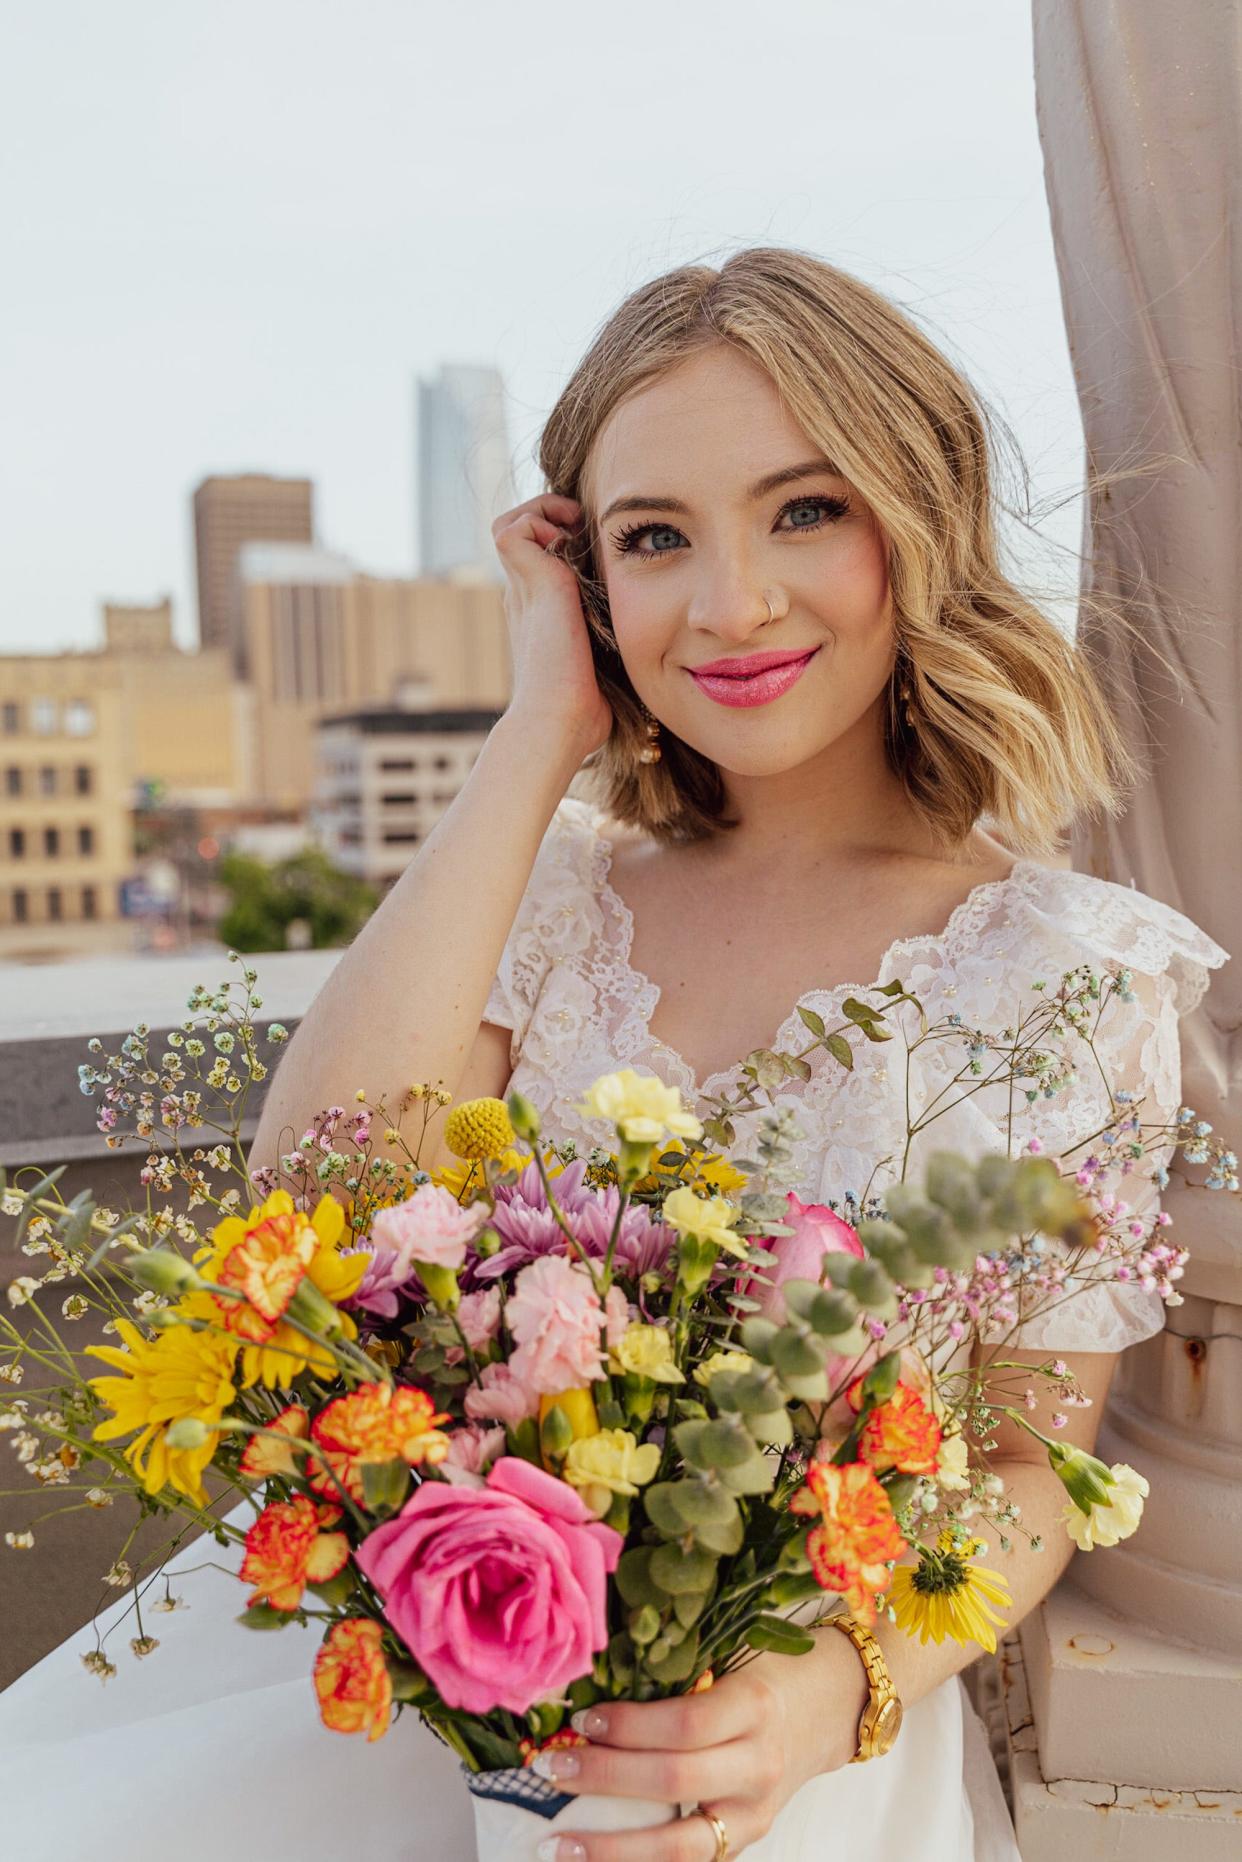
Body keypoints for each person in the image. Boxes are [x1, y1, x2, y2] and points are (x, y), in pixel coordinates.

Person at [0, 248, 1228, 1862]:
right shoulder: (551, 887)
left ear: (913, 519)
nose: (730, 603)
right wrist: (536, 732)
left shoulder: (1074, 967)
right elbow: (314, 1188)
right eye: (654, 539)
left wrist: (823, 1689)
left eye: (803, 510)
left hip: (775, 1746)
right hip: (413, 1701)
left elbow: (1021, 1469)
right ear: (586, 586)